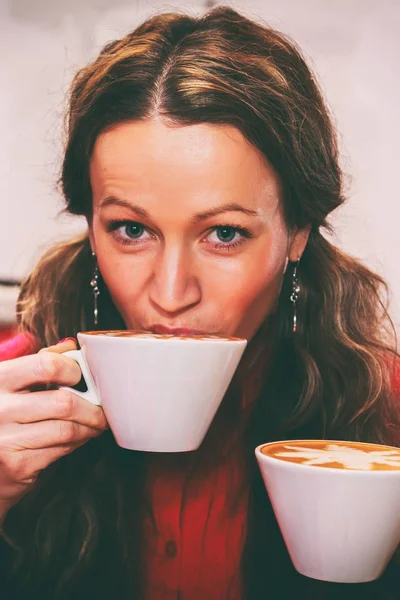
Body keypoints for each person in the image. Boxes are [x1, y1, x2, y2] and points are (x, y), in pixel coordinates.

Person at [0, 6, 399, 600]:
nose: (168, 293)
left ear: (297, 234)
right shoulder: (16, 388)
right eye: (130, 230)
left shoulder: (382, 405)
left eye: (225, 234)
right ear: (90, 226)